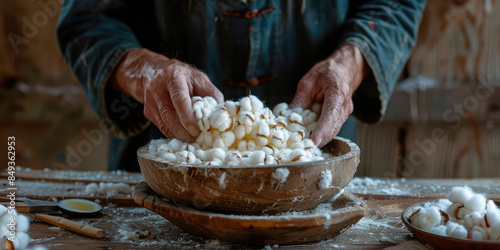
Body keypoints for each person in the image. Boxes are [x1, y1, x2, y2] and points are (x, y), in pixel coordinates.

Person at [57, 0, 426, 171]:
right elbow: (88, 17)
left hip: (313, 164)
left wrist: (351, 62)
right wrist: (144, 69)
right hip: (166, 166)